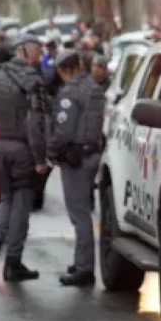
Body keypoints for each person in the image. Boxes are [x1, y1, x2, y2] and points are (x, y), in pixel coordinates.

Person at [0, 33, 51, 282]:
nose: (40, 56)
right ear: (26, 51)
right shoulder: (33, 81)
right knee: (21, 205)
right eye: (37, 51)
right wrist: (41, 158)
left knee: (5, 199)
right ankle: (13, 261)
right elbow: (36, 124)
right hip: (22, 149)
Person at [47, 48, 106, 287]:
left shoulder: (69, 93)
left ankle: (84, 269)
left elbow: (64, 130)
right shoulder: (93, 87)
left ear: (65, 70)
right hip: (92, 154)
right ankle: (81, 260)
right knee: (84, 212)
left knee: (79, 214)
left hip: (76, 158)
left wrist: (50, 152)